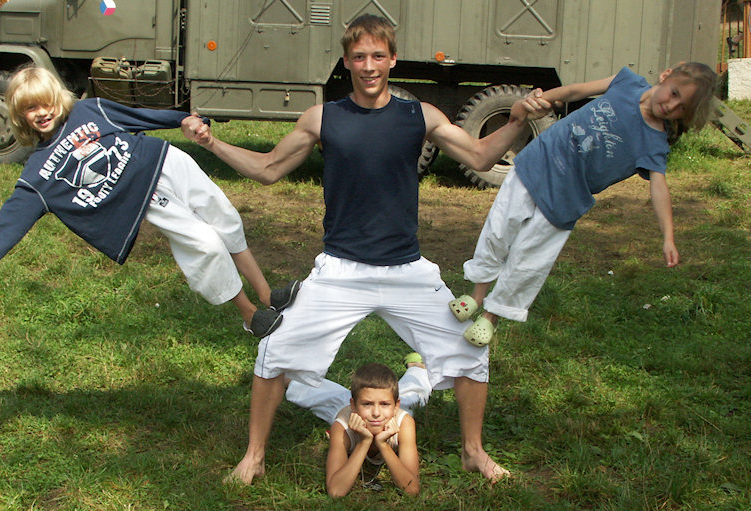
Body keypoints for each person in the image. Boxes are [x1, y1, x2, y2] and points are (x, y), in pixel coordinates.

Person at [181, 14, 553, 484]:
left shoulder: (420, 116)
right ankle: (254, 457)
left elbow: (480, 157)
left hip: (407, 270)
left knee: (470, 352)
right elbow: (268, 169)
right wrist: (212, 141)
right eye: (359, 57)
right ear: (346, 61)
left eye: (378, 56)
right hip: (341, 270)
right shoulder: (324, 117)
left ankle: (473, 452)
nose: (369, 66)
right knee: (274, 352)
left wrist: (517, 120)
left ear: (393, 59)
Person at [0, 66, 301, 337]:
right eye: (30, 108)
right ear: (19, 115)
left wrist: (182, 120)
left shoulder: (89, 110)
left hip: (167, 161)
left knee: (224, 216)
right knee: (206, 245)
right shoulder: (39, 172)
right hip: (149, 199)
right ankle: (250, 315)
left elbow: (138, 115)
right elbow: (14, 213)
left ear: (58, 98)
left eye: (45, 103)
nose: (41, 113)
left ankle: (266, 294)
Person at [449, 62, 718, 346]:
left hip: (567, 198)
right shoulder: (628, 82)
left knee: (528, 261)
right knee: (498, 231)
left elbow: (659, 188)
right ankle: (476, 296)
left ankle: (490, 317)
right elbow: (576, 90)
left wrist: (668, 237)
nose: (671, 106)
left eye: (681, 109)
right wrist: (542, 99)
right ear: (666, 76)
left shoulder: (654, 143)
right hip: (538, 163)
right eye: (674, 94)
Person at [286, 353, 430, 497]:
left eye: (385, 404)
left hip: (379, 408)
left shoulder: (403, 423)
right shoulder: (342, 427)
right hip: (347, 409)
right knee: (315, 391)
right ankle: (281, 375)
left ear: (396, 406)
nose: (376, 413)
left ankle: (417, 367)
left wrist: (383, 445)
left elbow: (412, 489)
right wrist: (364, 442)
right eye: (367, 404)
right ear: (353, 405)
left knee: (414, 395)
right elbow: (336, 491)